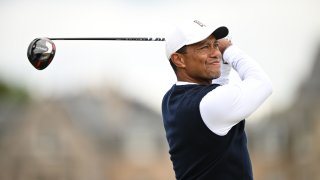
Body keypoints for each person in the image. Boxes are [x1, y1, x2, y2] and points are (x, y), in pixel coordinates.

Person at [161, 19, 273, 180]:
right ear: (179, 59)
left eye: (215, 45)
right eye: (204, 47)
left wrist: (223, 64)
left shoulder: (171, 99)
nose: (215, 53)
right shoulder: (209, 103)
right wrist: (230, 50)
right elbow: (263, 84)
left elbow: (216, 91)